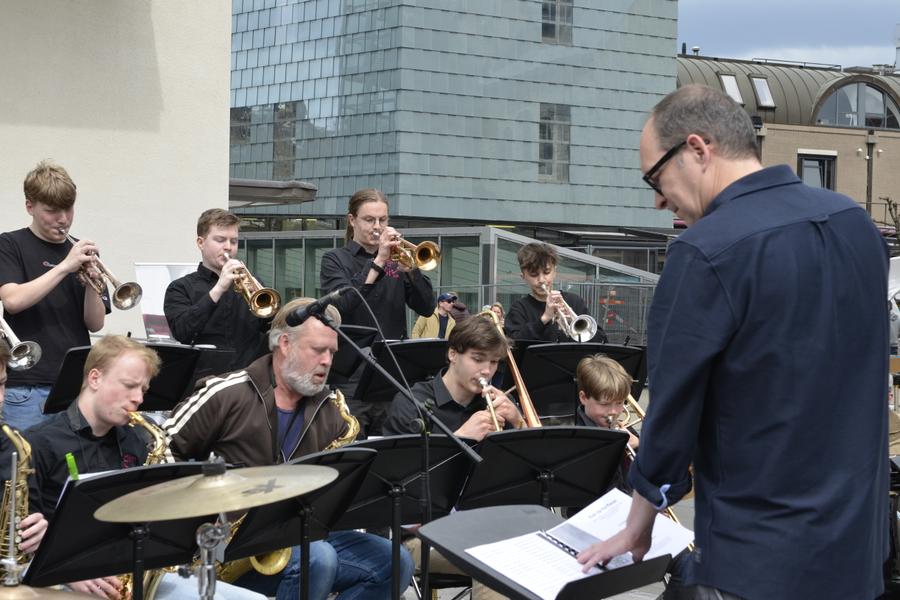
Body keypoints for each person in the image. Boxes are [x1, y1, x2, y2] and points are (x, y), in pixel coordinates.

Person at [576, 85, 889, 600]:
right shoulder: (856, 224)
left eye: (655, 177)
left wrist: (638, 521)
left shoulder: (704, 253)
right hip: (857, 553)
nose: (657, 198)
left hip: (758, 561)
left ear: (698, 150)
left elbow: (672, 409)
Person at [163, 298, 414, 600]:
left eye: (332, 352)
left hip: (299, 532)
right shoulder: (226, 393)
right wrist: (195, 516)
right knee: (317, 559)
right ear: (284, 344)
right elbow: (162, 448)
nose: (327, 361)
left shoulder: (333, 411)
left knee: (395, 562)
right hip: (226, 544)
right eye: (318, 350)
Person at [22, 335, 263, 600]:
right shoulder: (37, 443)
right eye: (129, 386)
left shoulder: (139, 437)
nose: (138, 398)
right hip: (65, 576)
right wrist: (66, 569)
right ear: (94, 378)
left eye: (143, 390)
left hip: (131, 569)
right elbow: (24, 541)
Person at [0, 160, 108, 430]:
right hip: (27, 386)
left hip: (75, 384)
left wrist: (92, 285)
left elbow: (95, 324)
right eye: (51, 211)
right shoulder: (10, 244)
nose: (63, 219)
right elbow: (12, 301)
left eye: (68, 209)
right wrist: (64, 267)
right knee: (26, 468)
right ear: (30, 206)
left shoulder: (79, 253)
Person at [319, 188, 434, 436]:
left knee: (393, 453)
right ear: (352, 220)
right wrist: (379, 261)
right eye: (369, 220)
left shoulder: (397, 263)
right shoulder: (334, 260)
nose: (377, 227)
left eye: (382, 220)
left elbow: (427, 308)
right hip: (352, 377)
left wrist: (412, 272)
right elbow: (343, 304)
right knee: (354, 448)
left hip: (392, 375)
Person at [383, 314, 523, 440]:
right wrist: (460, 438)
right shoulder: (410, 404)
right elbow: (398, 466)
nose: (487, 371)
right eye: (478, 359)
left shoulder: (499, 403)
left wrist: (519, 423)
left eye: (494, 362)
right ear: (453, 354)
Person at [164, 208, 270, 372]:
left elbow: (273, 330)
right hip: (203, 381)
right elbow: (182, 332)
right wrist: (219, 288)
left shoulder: (252, 285)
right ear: (201, 242)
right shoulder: (180, 288)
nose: (228, 247)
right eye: (220, 240)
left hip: (248, 380)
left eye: (233, 241)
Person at [503, 243, 606, 343]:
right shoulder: (519, 308)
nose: (541, 279)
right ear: (523, 277)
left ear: (554, 272)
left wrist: (571, 322)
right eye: (534, 274)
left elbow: (601, 339)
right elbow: (514, 343)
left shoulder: (574, 301)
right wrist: (544, 318)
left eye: (546, 272)